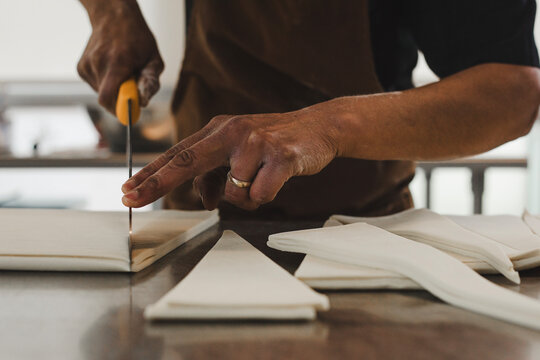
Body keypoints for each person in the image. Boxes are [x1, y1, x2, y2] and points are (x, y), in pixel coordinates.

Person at [78, 0, 540, 220]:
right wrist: (111, 12)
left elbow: (512, 91)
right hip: (195, 221)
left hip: (360, 227)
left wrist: (328, 127)